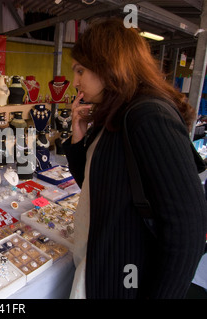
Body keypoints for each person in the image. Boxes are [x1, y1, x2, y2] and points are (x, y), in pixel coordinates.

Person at [63, 18, 207, 299]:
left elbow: (187, 228)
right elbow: (94, 185)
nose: (76, 81)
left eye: (81, 70)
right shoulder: (113, 116)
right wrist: (78, 136)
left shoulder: (147, 116)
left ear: (108, 66)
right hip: (104, 266)